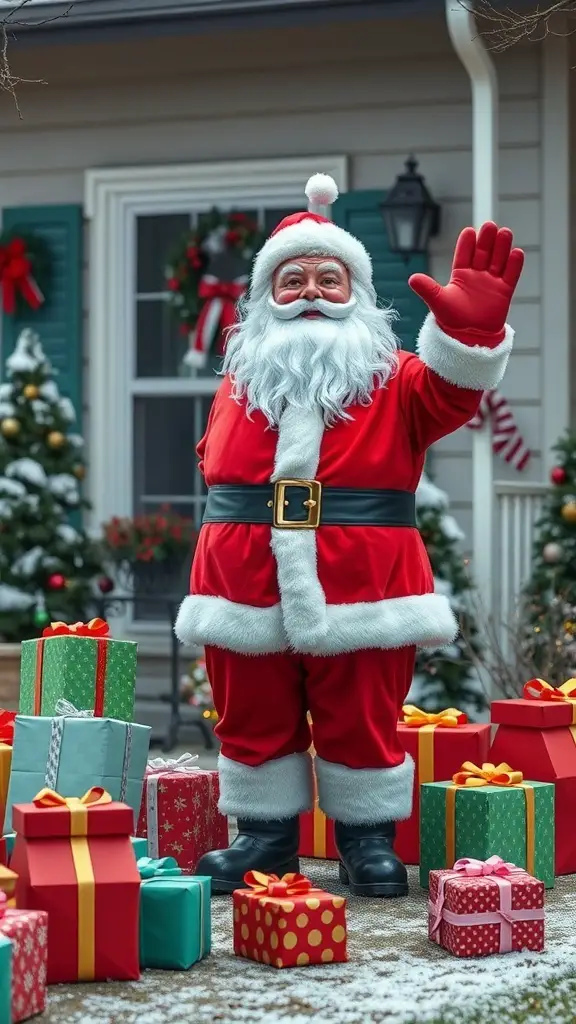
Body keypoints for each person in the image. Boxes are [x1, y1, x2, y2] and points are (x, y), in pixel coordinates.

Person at [175, 174, 524, 896]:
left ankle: (366, 841)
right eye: (293, 279)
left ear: (357, 293)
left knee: (363, 710)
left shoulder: (395, 379)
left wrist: (470, 334)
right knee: (252, 709)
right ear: (265, 298)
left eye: (329, 280)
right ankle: (264, 839)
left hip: (362, 581)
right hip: (243, 583)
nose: (309, 292)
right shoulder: (243, 378)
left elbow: (452, 393)